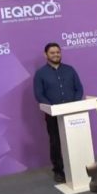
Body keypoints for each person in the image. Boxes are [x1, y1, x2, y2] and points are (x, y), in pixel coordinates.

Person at [33, 42, 84, 183]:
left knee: (75, 141)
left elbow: (79, 89)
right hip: (52, 115)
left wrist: (73, 105)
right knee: (55, 142)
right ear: (46, 55)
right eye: (52, 53)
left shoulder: (70, 70)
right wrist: (53, 109)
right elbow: (39, 95)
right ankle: (58, 171)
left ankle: (78, 167)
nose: (56, 55)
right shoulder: (40, 74)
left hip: (72, 113)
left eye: (58, 52)